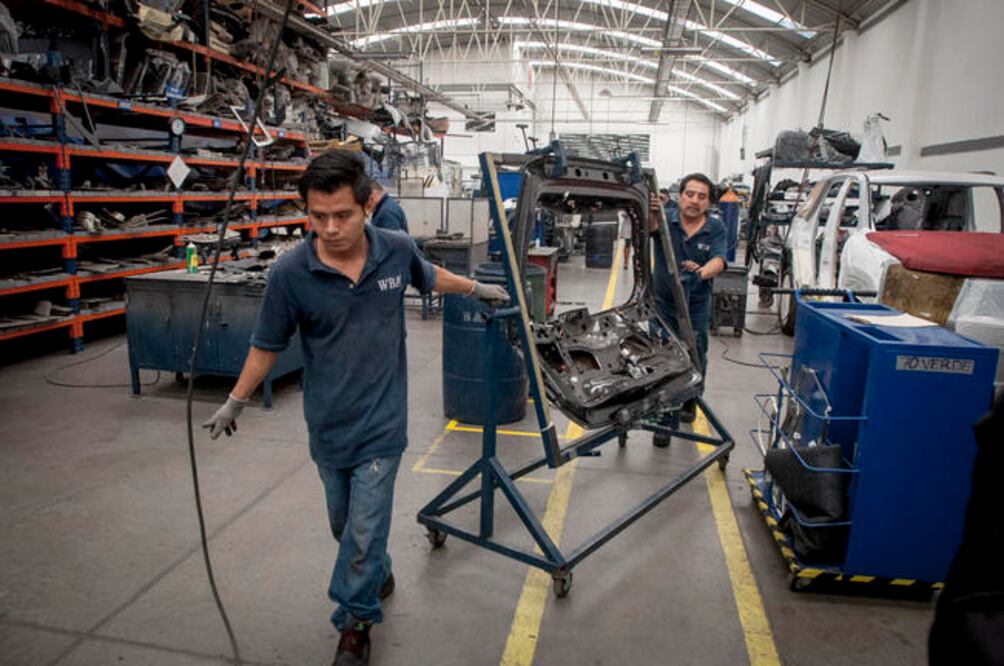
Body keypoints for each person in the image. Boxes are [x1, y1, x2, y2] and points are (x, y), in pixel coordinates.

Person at [202, 151, 509, 665]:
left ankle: (354, 625)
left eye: (342, 215)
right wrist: (236, 400)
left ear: (367, 205)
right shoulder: (290, 273)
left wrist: (475, 287)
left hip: (384, 422)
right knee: (345, 526)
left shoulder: (395, 249)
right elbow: (266, 343)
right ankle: (377, 570)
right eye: (317, 216)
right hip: (327, 424)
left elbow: (428, 275)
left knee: (363, 530)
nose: (330, 227)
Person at [650, 173, 726, 438]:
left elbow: (719, 259)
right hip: (663, 305)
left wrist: (703, 271)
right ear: (680, 196)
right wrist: (651, 209)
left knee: (695, 354)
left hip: (696, 304)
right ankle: (663, 416)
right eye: (690, 194)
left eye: (702, 196)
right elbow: (648, 227)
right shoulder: (665, 218)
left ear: (709, 202)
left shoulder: (715, 227)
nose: (694, 201)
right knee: (662, 358)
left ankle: (691, 397)